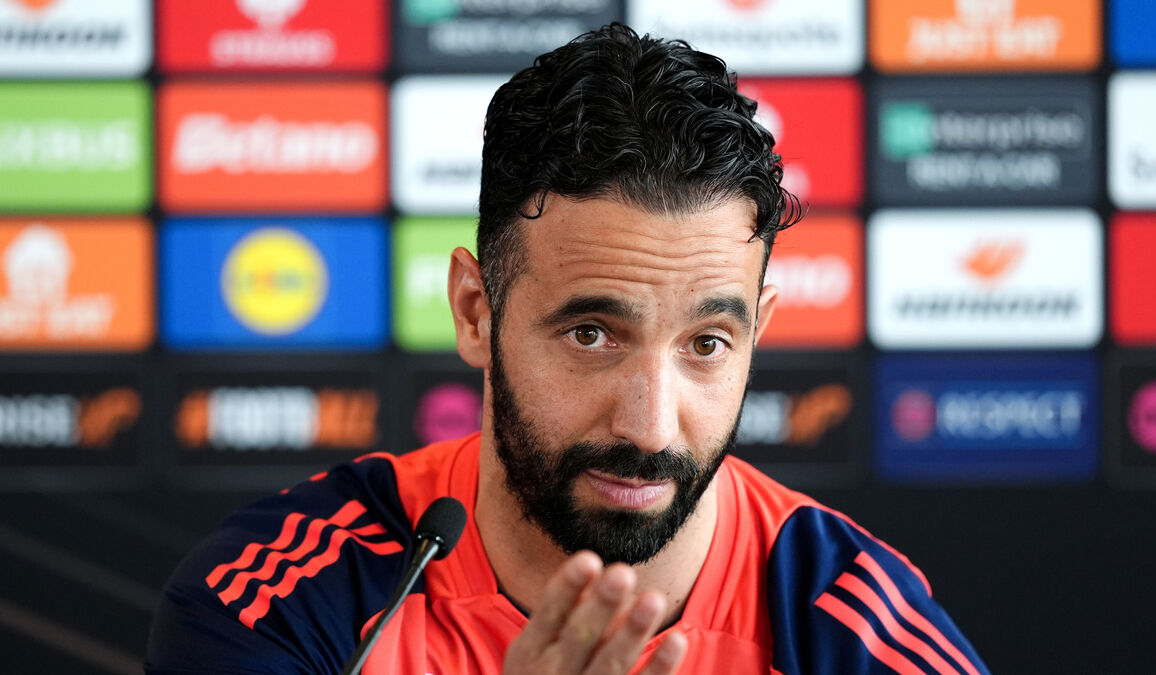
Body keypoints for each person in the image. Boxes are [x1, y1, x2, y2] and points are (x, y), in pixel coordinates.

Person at [146, 23, 989, 675]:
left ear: (757, 333)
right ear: (475, 311)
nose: (649, 426)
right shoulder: (279, 601)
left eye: (706, 342)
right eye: (592, 334)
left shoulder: (857, 633)